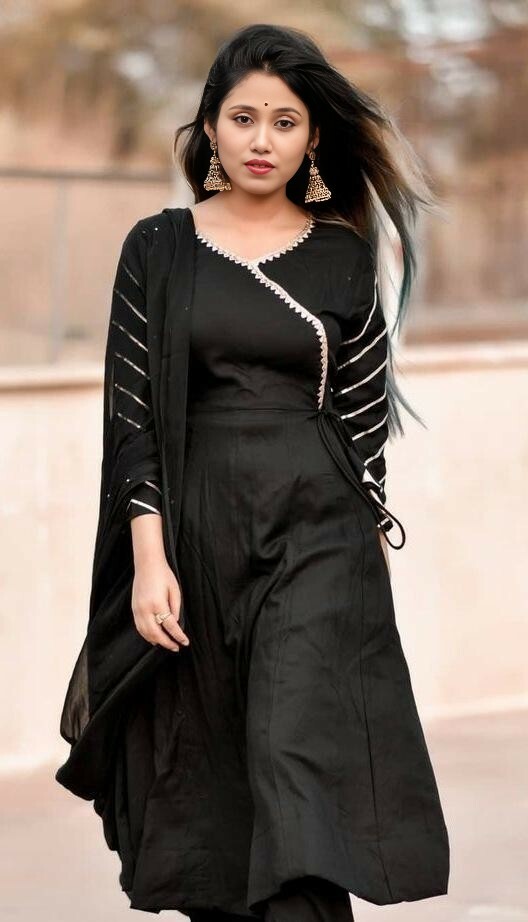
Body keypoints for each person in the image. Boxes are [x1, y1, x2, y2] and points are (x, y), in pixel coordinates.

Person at [55, 22, 450, 921]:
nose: (262, 139)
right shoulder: (157, 248)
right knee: (216, 795)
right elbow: (132, 417)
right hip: (197, 539)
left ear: (312, 139)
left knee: (296, 767)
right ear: (210, 129)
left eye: (284, 121)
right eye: (243, 119)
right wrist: (149, 559)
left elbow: (362, 416)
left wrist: (370, 542)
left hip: (319, 537)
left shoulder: (344, 255)